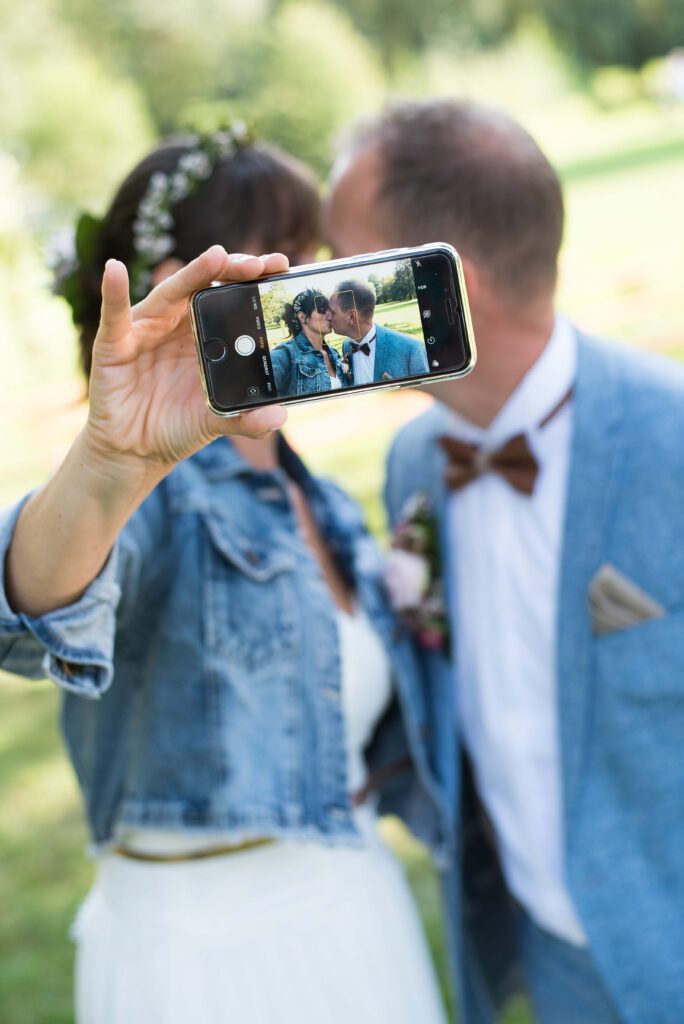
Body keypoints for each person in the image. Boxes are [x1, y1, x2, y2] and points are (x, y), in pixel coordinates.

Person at [0, 129, 448, 1024]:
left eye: (320, 261)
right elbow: (31, 612)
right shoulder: (152, 490)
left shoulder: (304, 488)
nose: (320, 290)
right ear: (193, 288)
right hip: (208, 957)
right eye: (288, 264)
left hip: (355, 909)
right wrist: (110, 462)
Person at [325, 99, 684, 1024]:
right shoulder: (413, 465)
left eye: (343, 261)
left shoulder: (672, 441)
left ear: (450, 290)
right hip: (545, 954)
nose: (318, 293)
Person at [328, 278, 428, 384]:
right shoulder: (346, 345)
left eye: (333, 312)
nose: (328, 317)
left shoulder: (412, 350)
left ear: (352, 317)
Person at [270, 286, 348, 395]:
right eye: (322, 311)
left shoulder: (334, 354)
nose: (330, 317)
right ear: (302, 317)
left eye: (329, 311)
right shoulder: (287, 354)